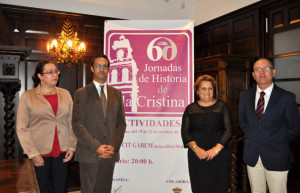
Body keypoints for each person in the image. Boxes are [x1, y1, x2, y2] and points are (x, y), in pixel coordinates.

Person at [238, 58, 300, 193]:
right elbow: (242, 122)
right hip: (252, 154)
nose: (262, 72)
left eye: (266, 68)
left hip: (277, 155)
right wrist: (251, 135)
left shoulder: (286, 97)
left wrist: (277, 140)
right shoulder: (245, 96)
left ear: (273, 72)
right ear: (253, 75)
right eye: (257, 69)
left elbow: (294, 128)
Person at [16, 60, 77, 193]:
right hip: (39, 151)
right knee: (41, 189)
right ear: (40, 76)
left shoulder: (65, 94)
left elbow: (72, 122)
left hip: (62, 150)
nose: (54, 75)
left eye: (56, 71)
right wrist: (33, 153)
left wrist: (72, 146)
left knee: (60, 189)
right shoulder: (28, 96)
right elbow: (22, 128)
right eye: (50, 72)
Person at [72, 54, 126, 193]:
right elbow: (77, 124)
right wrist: (96, 147)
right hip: (89, 152)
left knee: (104, 190)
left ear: (108, 69)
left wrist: (113, 147)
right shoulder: (81, 93)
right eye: (98, 65)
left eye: (105, 66)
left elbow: (121, 124)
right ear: (92, 68)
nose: (102, 69)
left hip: (109, 153)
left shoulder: (117, 94)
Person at [181, 74, 233, 193]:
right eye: (203, 88)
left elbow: (228, 131)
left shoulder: (222, 107)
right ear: (197, 91)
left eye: (210, 88)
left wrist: (215, 150)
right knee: (200, 187)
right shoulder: (190, 109)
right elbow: (185, 132)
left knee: (219, 187)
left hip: (219, 155)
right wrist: (197, 149)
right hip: (197, 156)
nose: (207, 91)